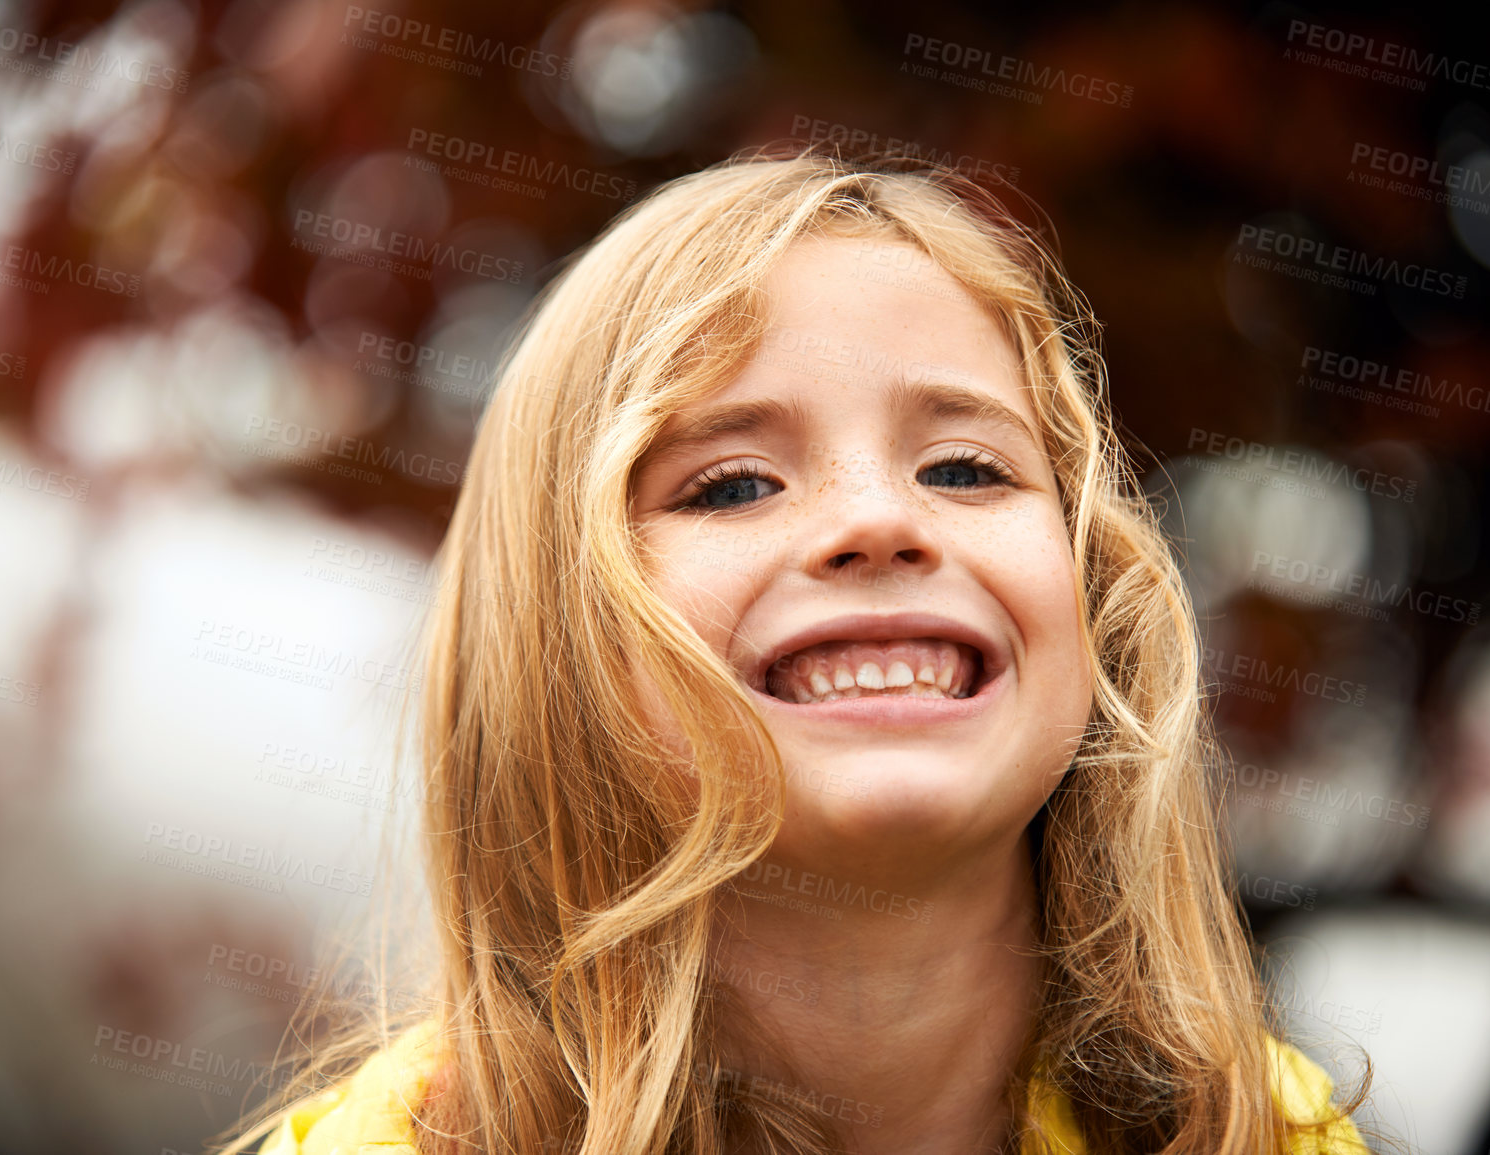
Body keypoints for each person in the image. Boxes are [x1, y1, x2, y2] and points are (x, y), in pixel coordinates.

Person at [231, 152, 1371, 1155]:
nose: (878, 520)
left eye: (967, 469)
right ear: (553, 648)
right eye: (732, 485)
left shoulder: (1270, 1137)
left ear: (1101, 600)